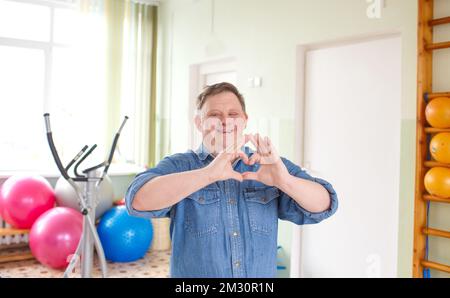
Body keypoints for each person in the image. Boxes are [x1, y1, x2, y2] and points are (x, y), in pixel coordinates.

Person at [125, 82, 338, 277]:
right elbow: (137, 200)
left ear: (244, 120)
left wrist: (285, 180)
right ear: (199, 123)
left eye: (233, 113)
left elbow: (325, 203)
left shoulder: (268, 165)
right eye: (214, 114)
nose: (225, 121)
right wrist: (207, 174)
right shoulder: (180, 165)